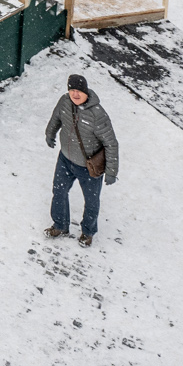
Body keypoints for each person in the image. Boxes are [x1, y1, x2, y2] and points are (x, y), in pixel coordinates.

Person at [43, 72, 119, 246]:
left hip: (89, 166)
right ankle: (60, 225)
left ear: (86, 92)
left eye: (79, 91)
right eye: (72, 90)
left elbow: (111, 143)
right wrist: (50, 133)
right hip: (65, 160)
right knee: (59, 192)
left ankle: (88, 232)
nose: (75, 94)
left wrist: (111, 172)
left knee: (91, 201)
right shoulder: (64, 102)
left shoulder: (97, 114)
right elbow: (56, 118)